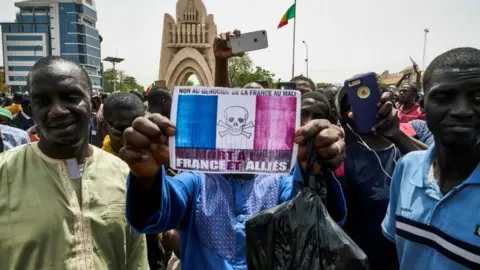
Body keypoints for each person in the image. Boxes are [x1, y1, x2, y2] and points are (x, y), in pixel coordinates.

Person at [121, 31, 348, 270]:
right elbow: (154, 215)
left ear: (259, 129)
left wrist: (316, 168)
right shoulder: (197, 180)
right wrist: (146, 178)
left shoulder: (280, 180)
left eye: (245, 126)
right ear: (219, 128)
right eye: (229, 125)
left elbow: (312, 221)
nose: (238, 136)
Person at [0, 56, 148, 269]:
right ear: (31, 110)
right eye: (43, 102)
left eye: (70, 97)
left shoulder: (122, 173)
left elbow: (136, 259)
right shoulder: (4, 172)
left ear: (94, 103)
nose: (57, 111)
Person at [382, 47, 480, 270]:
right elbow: (394, 251)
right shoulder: (408, 166)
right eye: (444, 97)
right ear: (424, 105)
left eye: (478, 97)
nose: (462, 111)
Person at [335, 86, 428, 270]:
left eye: (370, 101)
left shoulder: (416, 131)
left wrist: (396, 135)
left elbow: (443, 170)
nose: (365, 110)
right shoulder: (341, 156)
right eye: (352, 105)